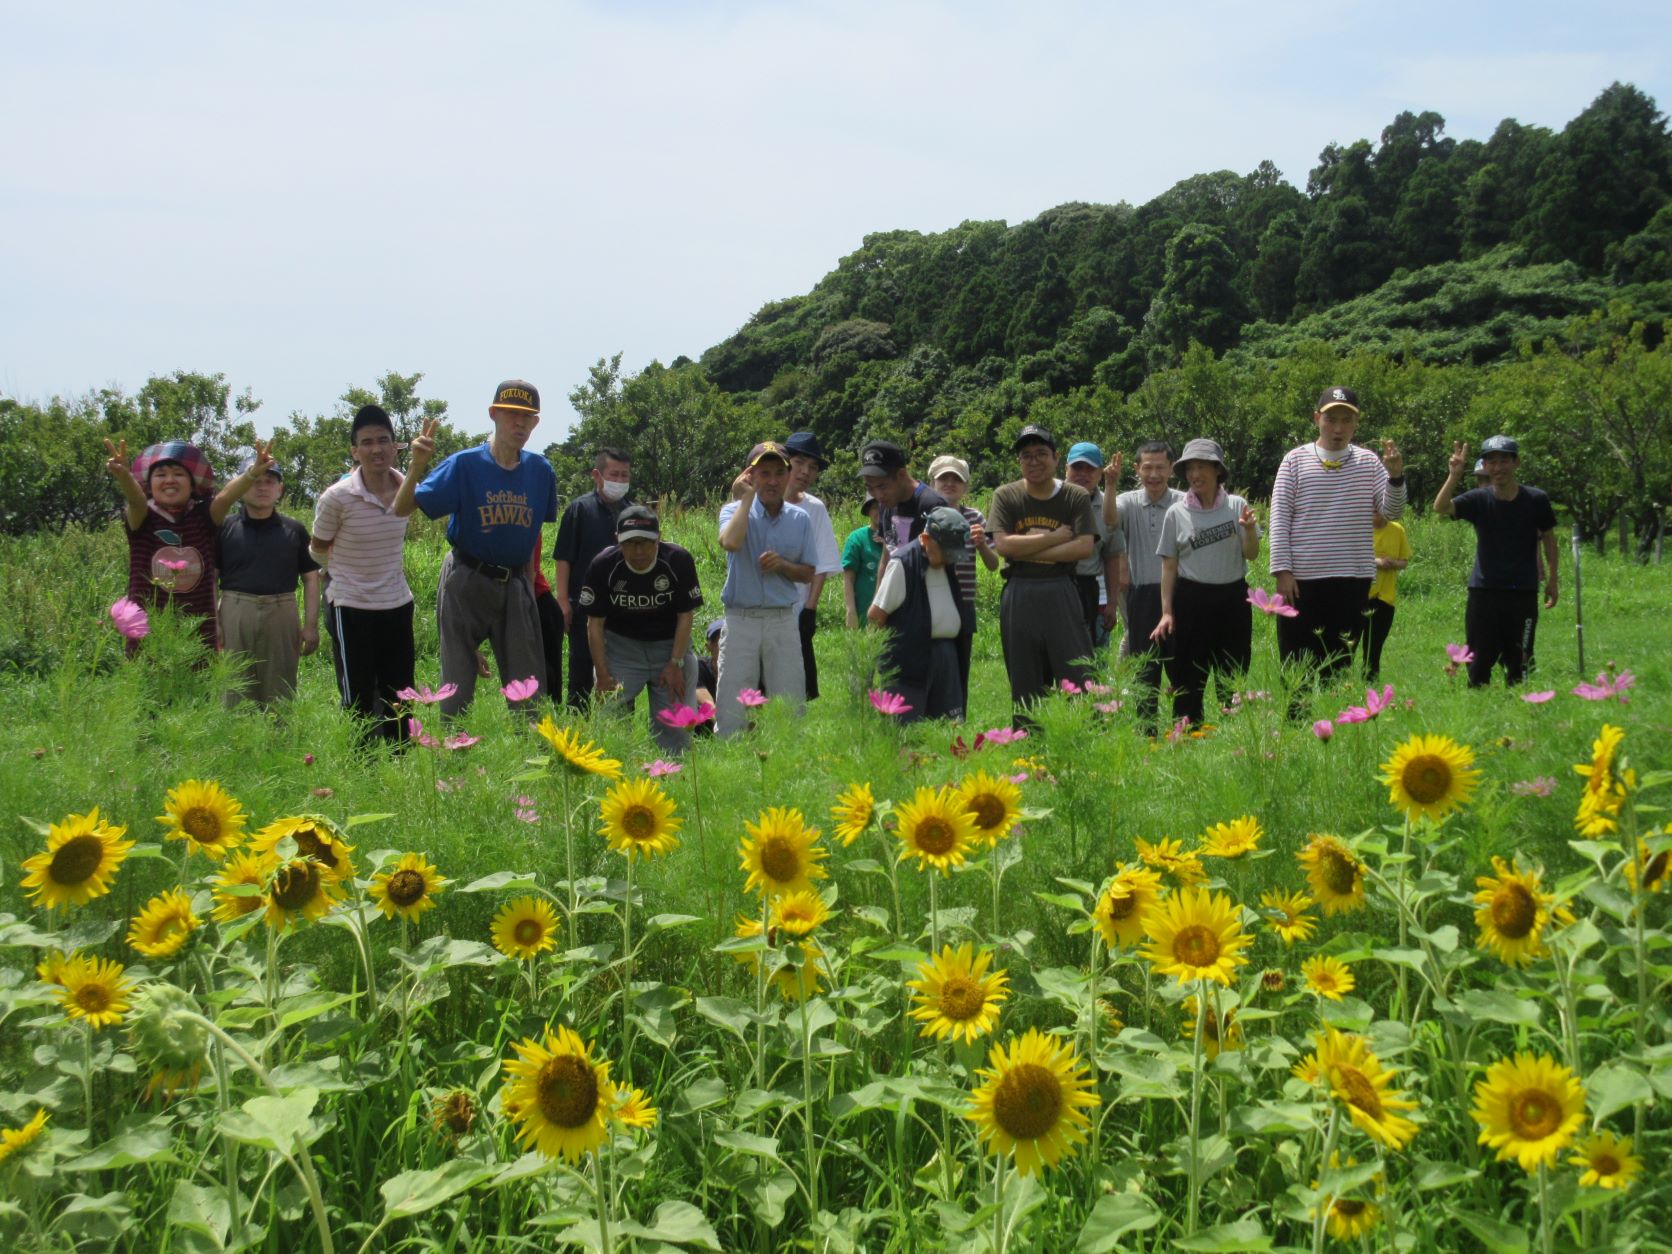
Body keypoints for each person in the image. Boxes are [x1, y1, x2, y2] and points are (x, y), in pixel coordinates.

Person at [394, 379, 558, 717]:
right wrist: (417, 466)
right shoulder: (465, 465)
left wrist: (527, 586)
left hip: (514, 582)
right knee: (457, 681)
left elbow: (531, 535)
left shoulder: (540, 472)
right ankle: (454, 754)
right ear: (493, 414)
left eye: (527, 416)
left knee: (527, 687)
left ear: (536, 422)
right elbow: (402, 507)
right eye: (511, 413)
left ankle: (532, 755)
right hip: (466, 577)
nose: (520, 423)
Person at [1268, 386, 1406, 695]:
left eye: (1346, 420)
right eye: (1331, 419)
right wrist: (1283, 573)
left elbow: (1392, 511)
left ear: (1356, 424)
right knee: (1296, 665)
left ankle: (1332, 726)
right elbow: (1278, 519)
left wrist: (1395, 476)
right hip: (1301, 582)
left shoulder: (1369, 463)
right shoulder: (1294, 461)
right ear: (1317, 418)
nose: (1338, 428)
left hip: (1351, 580)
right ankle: (1294, 730)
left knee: (1338, 664)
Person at [310, 405, 416, 744]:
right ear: (355, 451)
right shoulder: (337, 498)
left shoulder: (407, 489)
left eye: (384, 440)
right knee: (356, 696)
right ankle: (362, 768)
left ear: (395, 447)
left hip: (396, 602)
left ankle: (400, 765)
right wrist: (341, 574)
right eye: (367, 442)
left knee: (401, 694)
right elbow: (317, 548)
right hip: (350, 605)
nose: (376, 449)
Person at [105, 437, 270, 653]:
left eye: (178, 474)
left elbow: (225, 497)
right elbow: (135, 500)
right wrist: (125, 477)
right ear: (149, 484)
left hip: (198, 627)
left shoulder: (203, 517)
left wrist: (252, 474)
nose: (170, 480)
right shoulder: (143, 518)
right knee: (147, 683)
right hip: (150, 628)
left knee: (201, 684)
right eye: (161, 475)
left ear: (192, 484)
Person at [988, 424, 1097, 716]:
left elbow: (1084, 546)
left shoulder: (1075, 496)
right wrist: (1055, 538)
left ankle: (1085, 738)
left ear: (1056, 457)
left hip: (1061, 588)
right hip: (1019, 590)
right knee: (1025, 679)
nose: (1034, 461)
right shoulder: (1005, 496)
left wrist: (1029, 548)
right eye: (1026, 456)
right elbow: (1003, 546)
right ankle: (1028, 746)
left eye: (1041, 454)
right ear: (1018, 462)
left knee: (1078, 673)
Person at [1151, 439, 1261, 727]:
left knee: (1233, 672)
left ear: (1217, 470)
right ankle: (1188, 734)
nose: (1195, 475)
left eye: (1202, 467)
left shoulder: (1237, 506)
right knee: (1188, 675)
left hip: (1233, 598)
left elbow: (1251, 554)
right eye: (1190, 468)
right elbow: (1169, 566)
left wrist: (1248, 531)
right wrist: (1166, 612)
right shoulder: (1176, 513)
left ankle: (1234, 733)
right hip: (1191, 599)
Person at [1433, 435, 1559, 687]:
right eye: (1491, 461)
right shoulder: (1479, 499)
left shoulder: (1536, 500)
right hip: (1484, 591)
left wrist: (1553, 579)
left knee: (1521, 659)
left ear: (1517, 463)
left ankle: (1520, 706)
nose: (1498, 467)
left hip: (1523, 591)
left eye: (1504, 460)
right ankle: (1479, 706)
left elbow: (1549, 538)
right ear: (1485, 466)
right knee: (1479, 659)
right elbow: (1441, 507)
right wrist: (1454, 475)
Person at [580, 505, 705, 752]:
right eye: (630, 543)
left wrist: (676, 663)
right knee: (610, 720)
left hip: (670, 647)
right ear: (618, 541)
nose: (638, 552)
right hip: (621, 650)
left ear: (659, 538)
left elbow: (685, 615)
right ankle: (617, 772)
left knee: (675, 725)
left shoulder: (678, 560)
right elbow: (594, 624)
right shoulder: (603, 565)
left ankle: (674, 774)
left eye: (645, 543)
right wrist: (602, 674)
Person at [716, 442, 815, 737]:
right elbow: (730, 542)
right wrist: (745, 501)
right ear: (750, 476)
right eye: (764, 473)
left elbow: (809, 572)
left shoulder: (801, 519)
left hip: (782, 619)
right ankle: (731, 761)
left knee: (789, 702)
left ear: (788, 476)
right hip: (740, 618)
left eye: (778, 473)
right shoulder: (732, 511)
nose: (772, 481)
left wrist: (782, 565)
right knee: (733, 703)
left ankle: (789, 761)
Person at [218, 456, 321, 707]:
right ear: (241, 486)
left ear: (280, 489)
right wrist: (214, 623)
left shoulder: (293, 529)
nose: (262, 487)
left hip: (281, 610)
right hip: (235, 609)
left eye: (269, 481)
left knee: (280, 689)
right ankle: (236, 743)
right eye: (255, 480)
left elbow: (310, 579)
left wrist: (310, 625)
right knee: (234, 687)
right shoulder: (224, 527)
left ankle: (279, 743)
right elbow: (211, 577)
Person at [1103, 441, 1184, 732]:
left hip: (1182, 593)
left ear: (1171, 469)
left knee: (1181, 667)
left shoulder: (1184, 501)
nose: (1153, 474)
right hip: (1142, 595)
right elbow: (1110, 521)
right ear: (1137, 469)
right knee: (1144, 669)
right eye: (1147, 467)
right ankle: (1146, 733)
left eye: (1160, 467)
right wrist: (1109, 485)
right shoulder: (1128, 500)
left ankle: (1185, 730)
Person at [868, 506, 976, 722]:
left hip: (946, 657)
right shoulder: (902, 564)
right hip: (911, 661)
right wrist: (870, 667)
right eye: (944, 552)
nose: (949, 559)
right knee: (908, 732)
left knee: (949, 729)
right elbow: (876, 615)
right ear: (926, 538)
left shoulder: (946, 563)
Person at [554, 447, 634, 709]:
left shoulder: (633, 513)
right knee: (581, 669)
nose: (620, 481)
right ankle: (577, 725)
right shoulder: (579, 509)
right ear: (597, 475)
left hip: (624, 607)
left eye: (625, 476)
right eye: (614, 475)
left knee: (622, 672)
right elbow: (564, 557)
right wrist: (563, 600)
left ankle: (619, 726)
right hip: (584, 605)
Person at [927, 454, 999, 704]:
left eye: (956, 479)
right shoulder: (925, 517)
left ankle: (958, 714)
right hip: (930, 599)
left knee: (960, 664)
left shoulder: (975, 517)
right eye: (943, 478)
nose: (949, 483)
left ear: (966, 486)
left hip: (963, 601)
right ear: (932, 483)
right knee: (930, 664)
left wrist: (982, 545)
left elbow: (993, 565)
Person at [783, 432, 844, 700]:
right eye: (799, 463)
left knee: (797, 686)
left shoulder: (815, 508)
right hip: (761, 605)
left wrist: (810, 609)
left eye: (813, 467)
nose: (806, 472)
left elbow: (823, 561)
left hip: (798, 605)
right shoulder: (759, 501)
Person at [1063, 442, 1125, 649]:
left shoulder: (1107, 506)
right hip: (1054, 584)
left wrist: (1112, 602)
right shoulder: (1050, 499)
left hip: (1090, 588)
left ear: (1100, 473)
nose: (1083, 474)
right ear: (1066, 469)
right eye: (1077, 467)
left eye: (1090, 468)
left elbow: (1112, 556)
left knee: (1092, 658)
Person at [861, 440, 948, 561]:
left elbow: (945, 562)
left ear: (901, 475)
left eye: (882, 486)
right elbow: (886, 556)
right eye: (870, 488)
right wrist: (882, 580)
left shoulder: (933, 505)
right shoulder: (885, 505)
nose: (878, 495)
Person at [1358, 514, 1410, 682]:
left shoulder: (1397, 530)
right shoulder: (1358, 528)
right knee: (1346, 646)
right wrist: (1377, 562)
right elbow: (1349, 557)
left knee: (1373, 650)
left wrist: (1393, 564)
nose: (1375, 512)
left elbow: (1404, 561)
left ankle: (1369, 689)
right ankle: (1341, 688)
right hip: (1358, 596)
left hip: (1385, 599)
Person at [529, 532, 565, 706]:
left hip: (539, 604)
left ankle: (550, 725)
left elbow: (530, 575)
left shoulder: (529, 522)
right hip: (536, 602)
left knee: (548, 678)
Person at [841, 498, 885, 629]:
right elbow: (848, 578)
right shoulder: (857, 539)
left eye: (884, 505)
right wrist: (850, 611)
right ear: (869, 511)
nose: (881, 510)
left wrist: (889, 547)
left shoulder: (901, 538)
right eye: (875, 507)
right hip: (864, 615)